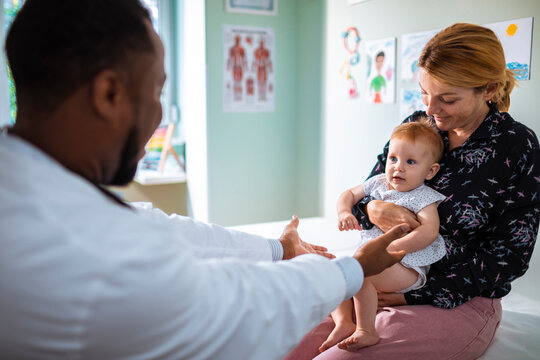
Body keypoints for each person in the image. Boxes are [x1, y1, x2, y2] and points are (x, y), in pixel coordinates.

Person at [0, 1, 408, 359]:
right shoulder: (79, 252)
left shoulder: (26, 182)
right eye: (156, 91)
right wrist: (352, 268)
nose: (160, 115)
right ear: (109, 94)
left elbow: (152, 227)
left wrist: (276, 249)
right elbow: (231, 310)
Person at [285, 22, 540, 360]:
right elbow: (371, 193)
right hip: (378, 276)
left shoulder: (516, 146)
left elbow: (510, 257)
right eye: (424, 93)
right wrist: (375, 212)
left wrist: (416, 295)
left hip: (456, 296)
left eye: (447, 99)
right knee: (286, 340)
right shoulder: (420, 124)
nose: (431, 110)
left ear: (489, 89)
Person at [319, 120, 447, 353]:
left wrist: (391, 248)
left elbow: (429, 231)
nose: (398, 167)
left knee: (361, 274)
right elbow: (348, 193)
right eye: (393, 158)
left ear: (430, 171)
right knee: (337, 271)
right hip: (374, 258)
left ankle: (366, 331)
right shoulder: (379, 182)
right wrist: (344, 211)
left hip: (405, 267)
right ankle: (343, 322)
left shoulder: (424, 197)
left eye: (410, 162)